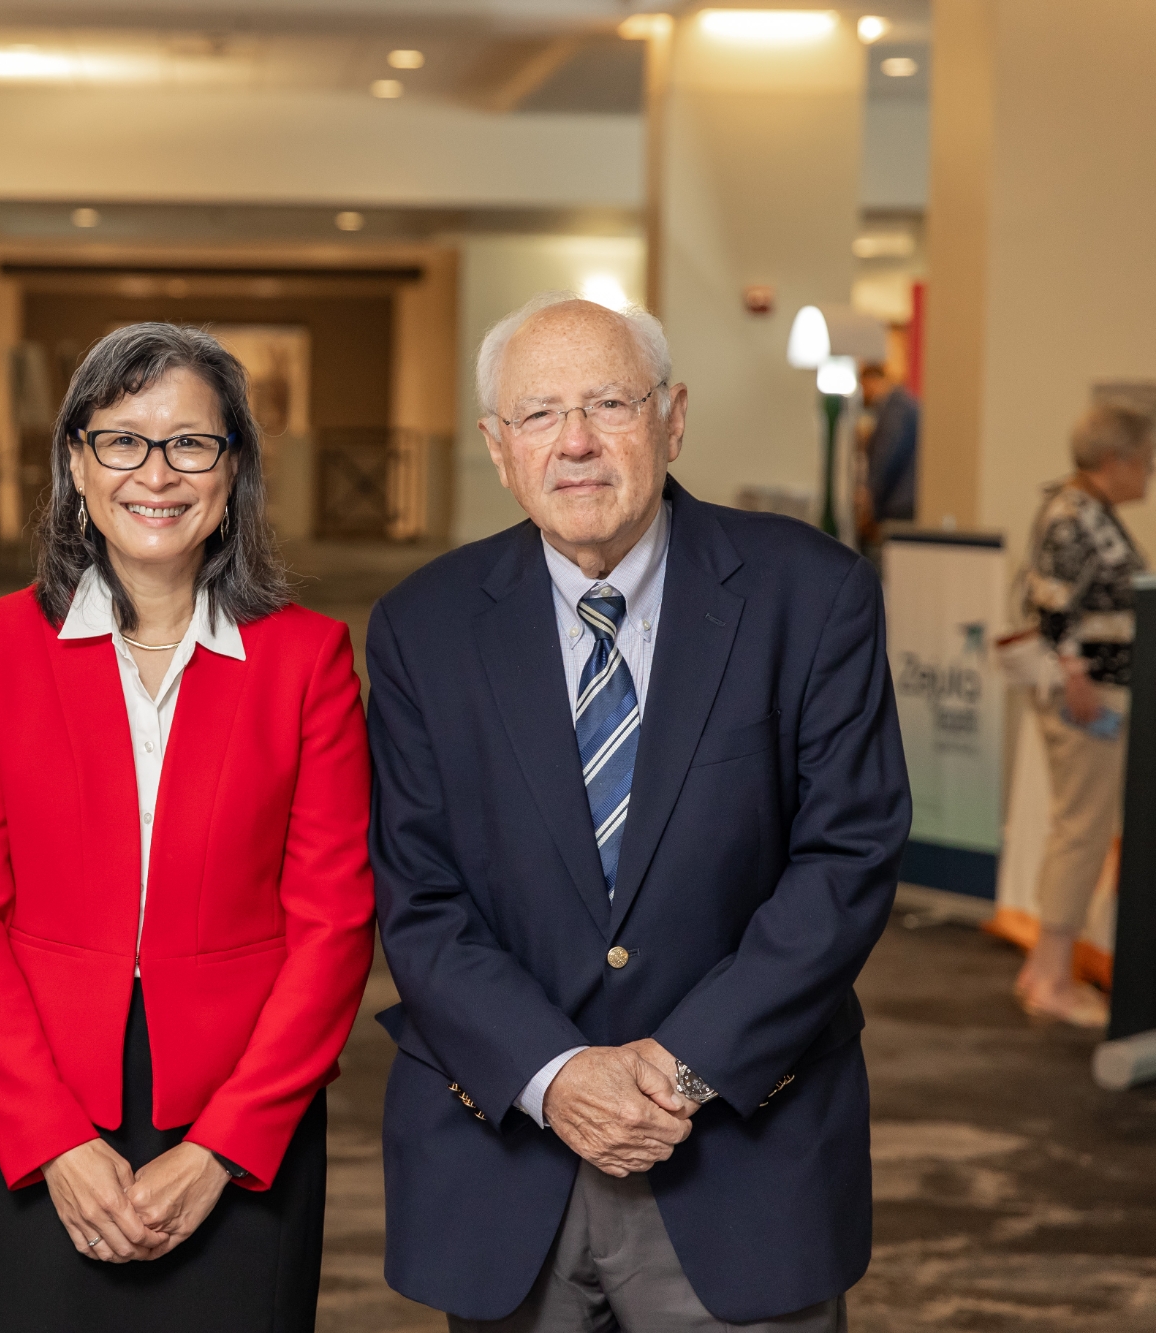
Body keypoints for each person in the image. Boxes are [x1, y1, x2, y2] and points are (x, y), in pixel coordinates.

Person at [367, 292, 910, 1330]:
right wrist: (555, 1072)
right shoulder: (421, 627)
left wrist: (677, 1066)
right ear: (496, 445)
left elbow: (846, 857)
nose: (573, 442)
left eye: (607, 402)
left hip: (743, 1153)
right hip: (506, 1155)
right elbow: (416, 892)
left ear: (672, 417)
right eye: (536, 415)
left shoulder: (810, 594)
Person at [0, 322, 375, 1332]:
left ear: (232, 471)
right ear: (75, 464)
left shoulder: (307, 660)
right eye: (121, 439)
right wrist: (48, 1137)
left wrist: (222, 1145)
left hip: (241, 1118)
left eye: (188, 443)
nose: (154, 472)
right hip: (46, 1114)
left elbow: (333, 923)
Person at [1014, 403, 1151, 1027]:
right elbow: (1052, 604)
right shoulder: (1075, 514)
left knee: (1080, 829)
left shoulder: (1085, 510)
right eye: (1144, 460)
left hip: (1094, 688)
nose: (1148, 474)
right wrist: (1077, 678)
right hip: (1089, 695)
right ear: (1114, 460)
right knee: (1083, 832)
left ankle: (1045, 968)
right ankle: (1051, 978)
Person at [856, 363, 919, 550]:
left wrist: (869, 492)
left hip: (899, 503)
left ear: (873, 381)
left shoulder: (897, 408)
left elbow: (888, 453)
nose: (864, 394)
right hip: (902, 502)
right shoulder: (902, 405)